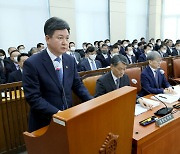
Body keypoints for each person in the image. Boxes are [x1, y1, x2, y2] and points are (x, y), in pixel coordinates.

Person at [22, 17, 93, 132]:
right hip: (45, 122)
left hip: (68, 118)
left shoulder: (69, 60)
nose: (65, 42)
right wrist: (58, 114)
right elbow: (33, 97)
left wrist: (92, 102)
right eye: (60, 38)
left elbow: (77, 85)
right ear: (47, 38)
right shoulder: (32, 63)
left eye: (67, 38)